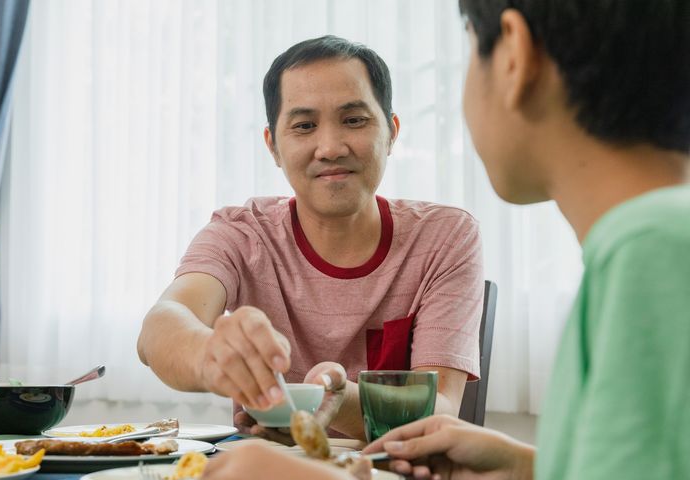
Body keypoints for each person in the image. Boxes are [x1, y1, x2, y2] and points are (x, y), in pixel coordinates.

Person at [192, 1, 690, 480]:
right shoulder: (656, 240)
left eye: (471, 50)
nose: (330, 146)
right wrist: (526, 469)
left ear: (514, 57)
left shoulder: (654, 256)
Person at [137, 35, 484, 440]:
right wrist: (207, 357)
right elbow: (159, 330)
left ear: (391, 132)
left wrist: (338, 400)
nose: (331, 147)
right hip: (269, 478)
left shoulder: (445, 237)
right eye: (304, 126)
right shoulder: (241, 233)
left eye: (354, 120)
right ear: (274, 147)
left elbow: (440, 411)